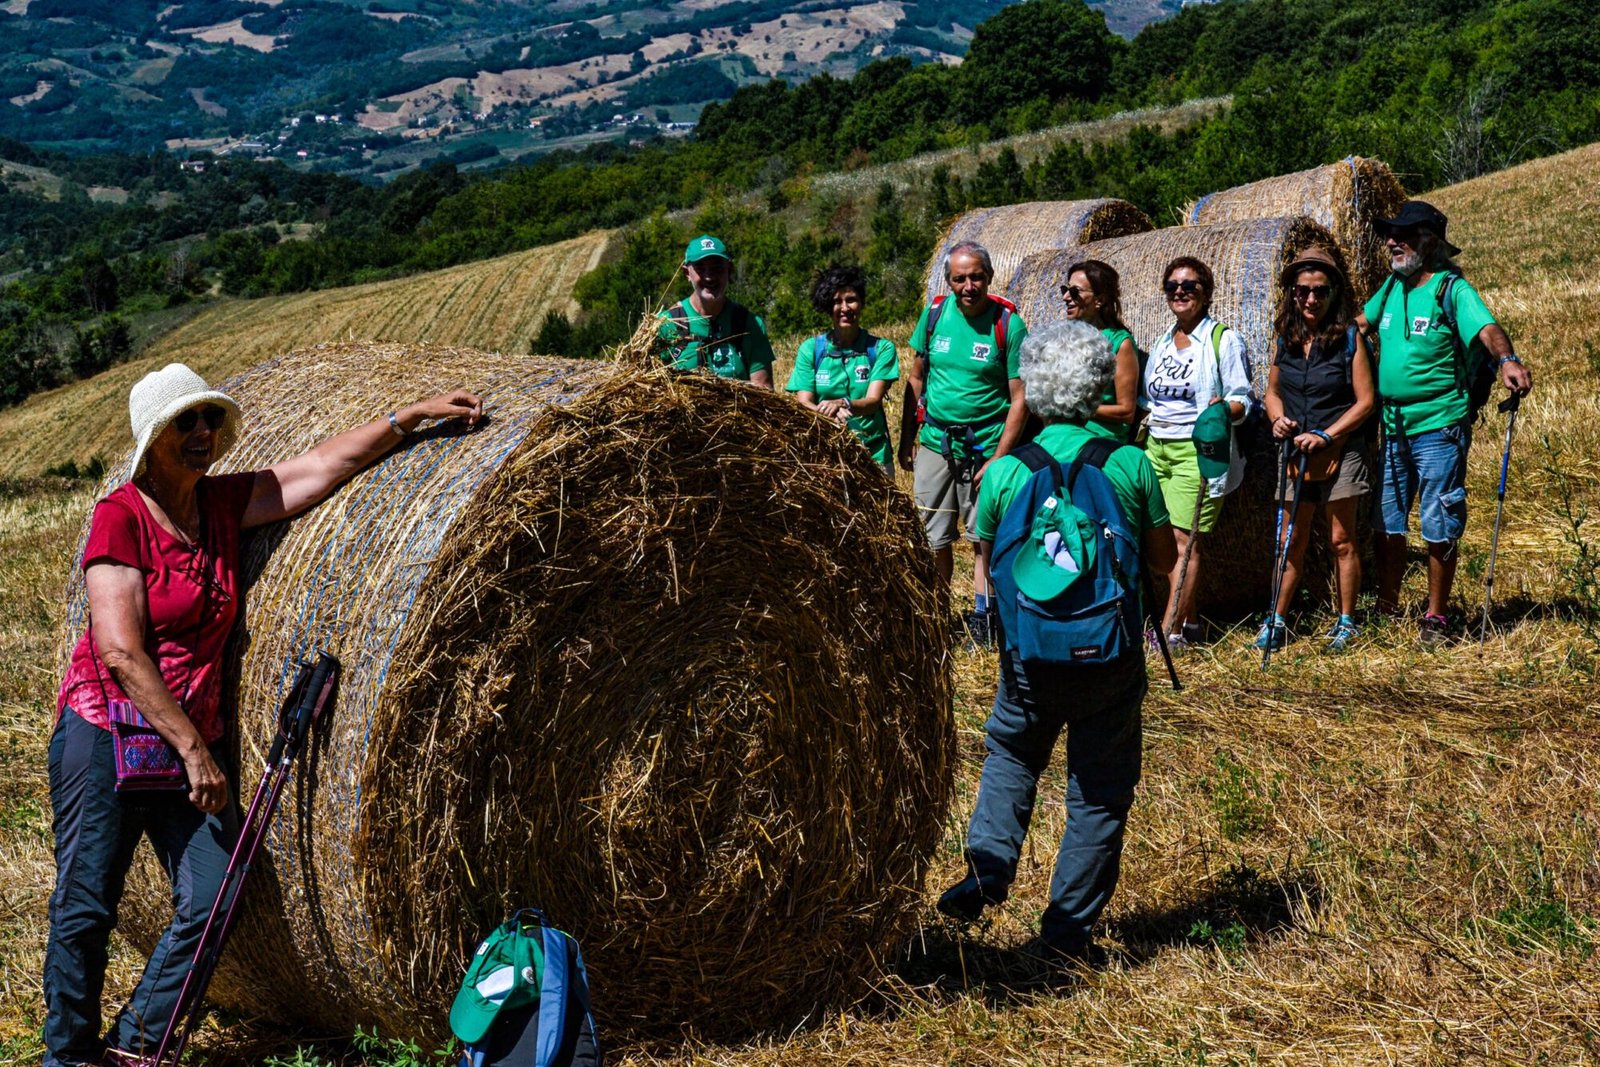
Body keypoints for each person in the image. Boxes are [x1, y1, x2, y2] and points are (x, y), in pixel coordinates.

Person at [46, 363, 483, 1067]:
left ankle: (135, 1043)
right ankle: (66, 1055)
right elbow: (121, 652)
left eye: (209, 420)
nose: (202, 434)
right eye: (184, 422)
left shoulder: (220, 505)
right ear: (152, 438)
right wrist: (195, 750)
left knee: (218, 889)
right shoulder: (120, 517)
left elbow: (316, 468)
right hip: (106, 734)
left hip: (186, 744)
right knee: (87, 905)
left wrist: (408, 418)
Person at [937, 320, 1176, 961]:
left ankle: (987, 873)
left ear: (1036, 392)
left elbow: (989, 556)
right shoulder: (1129, 463)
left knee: (1012, 754)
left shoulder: (1007, 472)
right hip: (1109, 655)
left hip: (1027, 658)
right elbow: (1163, 560)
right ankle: (1067, 931)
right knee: (1098, 790)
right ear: (1098, 386)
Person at [1355, 200, 1532, 646]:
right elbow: (1359, 324)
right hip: (1393, 425)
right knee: (1386, 521)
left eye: (1405, 234)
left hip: (1440, 424)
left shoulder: (1451, 290)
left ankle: (1436, 617)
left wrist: (1507, 359)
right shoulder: (1391, 288)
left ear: (1429, 242)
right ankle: (1387, 606)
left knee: (1439, 519)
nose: (1392, 241)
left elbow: (1487, 329)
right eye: (1390, 234)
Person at [899, 240, 1029, 647]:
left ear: (989, 278)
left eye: (976, 277)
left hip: (984, 448)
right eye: (960, 278)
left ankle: (984, 618)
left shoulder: (1008, 324)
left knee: (981, 538)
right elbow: (916, 378)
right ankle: (936, 617)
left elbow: (1020, 396)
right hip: (936, 444)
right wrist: (907, 439)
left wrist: (1000, 456)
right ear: (949, 280)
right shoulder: (935, 314)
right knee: (931, 536)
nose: (968, 285)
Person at [1256, 246, 1376, 652]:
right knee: (1289, 541)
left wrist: (1327, 435)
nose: (1311, 299)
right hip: (1295, 452)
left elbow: (1365, 401)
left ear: (1333, 294)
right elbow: (1271, 392)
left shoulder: (1349, 339)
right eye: (1303, 290)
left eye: (1320, 291)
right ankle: (1275, 619)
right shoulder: (1284, 339)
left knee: (1342, 540)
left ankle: (1346, 622)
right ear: (1292, 292)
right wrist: (1276, 419)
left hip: (1340, 448)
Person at [1140, 256, 1252, 651]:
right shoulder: (1162, 340)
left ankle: (1168, 633)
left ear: (1206, 293)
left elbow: (1243, 399)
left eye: (1190, 286)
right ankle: (1189, 626)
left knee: (1184, 542)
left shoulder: (1224, 339)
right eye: (1172, 285)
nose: (1180, 292)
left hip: (1198, 451)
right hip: (1158, 448)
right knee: (1160, 541)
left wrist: (1223, 410)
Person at [785, 265, 900, 472]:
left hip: (874, 456)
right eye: (837, 302)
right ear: (828, 306)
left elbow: (873, 402)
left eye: (851, 300)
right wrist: (830, 414)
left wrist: (843, 403)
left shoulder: (881, 349)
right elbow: (803, 402)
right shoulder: (811, 350)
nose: (845, 308)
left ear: (862, 303)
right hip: (826, 457)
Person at [657, 233, 775, 388]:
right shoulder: (666, 325)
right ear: (687, 273)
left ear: (729, 270)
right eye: (700, 268)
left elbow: (764, 390)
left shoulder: (750, 324)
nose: (709, 277)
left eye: (717, 268)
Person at [1060, 259, 1141, 442]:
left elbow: (1126, 411)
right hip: (1066, 436)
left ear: (1100, 300)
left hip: (1099, 442)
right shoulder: (1065, 337)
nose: (1066, 297)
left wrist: (1074, 407)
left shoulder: (1120, 343)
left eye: (1075, 292)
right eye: (1065, 290)